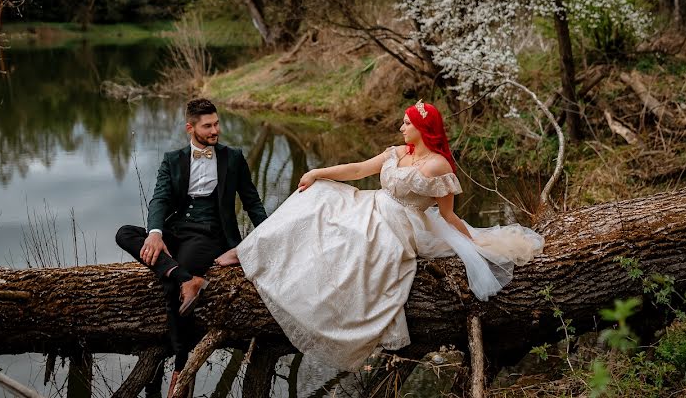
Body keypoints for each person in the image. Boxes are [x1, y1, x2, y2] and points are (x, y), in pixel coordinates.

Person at [217, 100, 544, 372]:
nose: (401, 128)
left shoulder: (439, 166)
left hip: (402, 224)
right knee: (315, 199)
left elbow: (447, 215)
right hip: (373, 203)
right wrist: (318, 172)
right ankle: (251, 249)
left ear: (421, 127)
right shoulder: (397, 152)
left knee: (354, 244)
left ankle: (319, 300)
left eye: (406, 123)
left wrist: (471, 242)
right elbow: (358, 170)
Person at [115, 98, 268, 397]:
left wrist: (265, 239)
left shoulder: (233, 158)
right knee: (125, 233)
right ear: (190, 127)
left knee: (170, 288)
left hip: (210, 235)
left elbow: (252, 202)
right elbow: (159, 199)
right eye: (208, 126)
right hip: (175, 231)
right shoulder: (172, 160)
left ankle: (180, 367)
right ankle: (185, 276)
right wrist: (156, 233)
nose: (215, 130)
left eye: (217, 124)